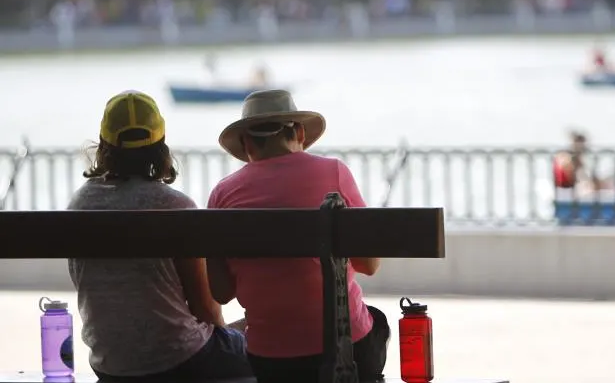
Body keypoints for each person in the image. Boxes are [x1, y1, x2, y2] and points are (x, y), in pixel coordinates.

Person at [205, 89, 390, 383]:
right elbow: (369, 264)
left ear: (246, 143)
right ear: (300, 132)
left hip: (270, 361)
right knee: (376, 320)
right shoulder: (334, 173)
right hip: (345, 351)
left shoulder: (222, 195)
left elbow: (221, 291)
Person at [67, 90, 251, 380]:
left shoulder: (78, 205)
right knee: (260, 342)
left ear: (104, 145)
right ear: (160, 145)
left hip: (110, 367)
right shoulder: (175, 206)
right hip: (181, 361)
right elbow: (206, 312)